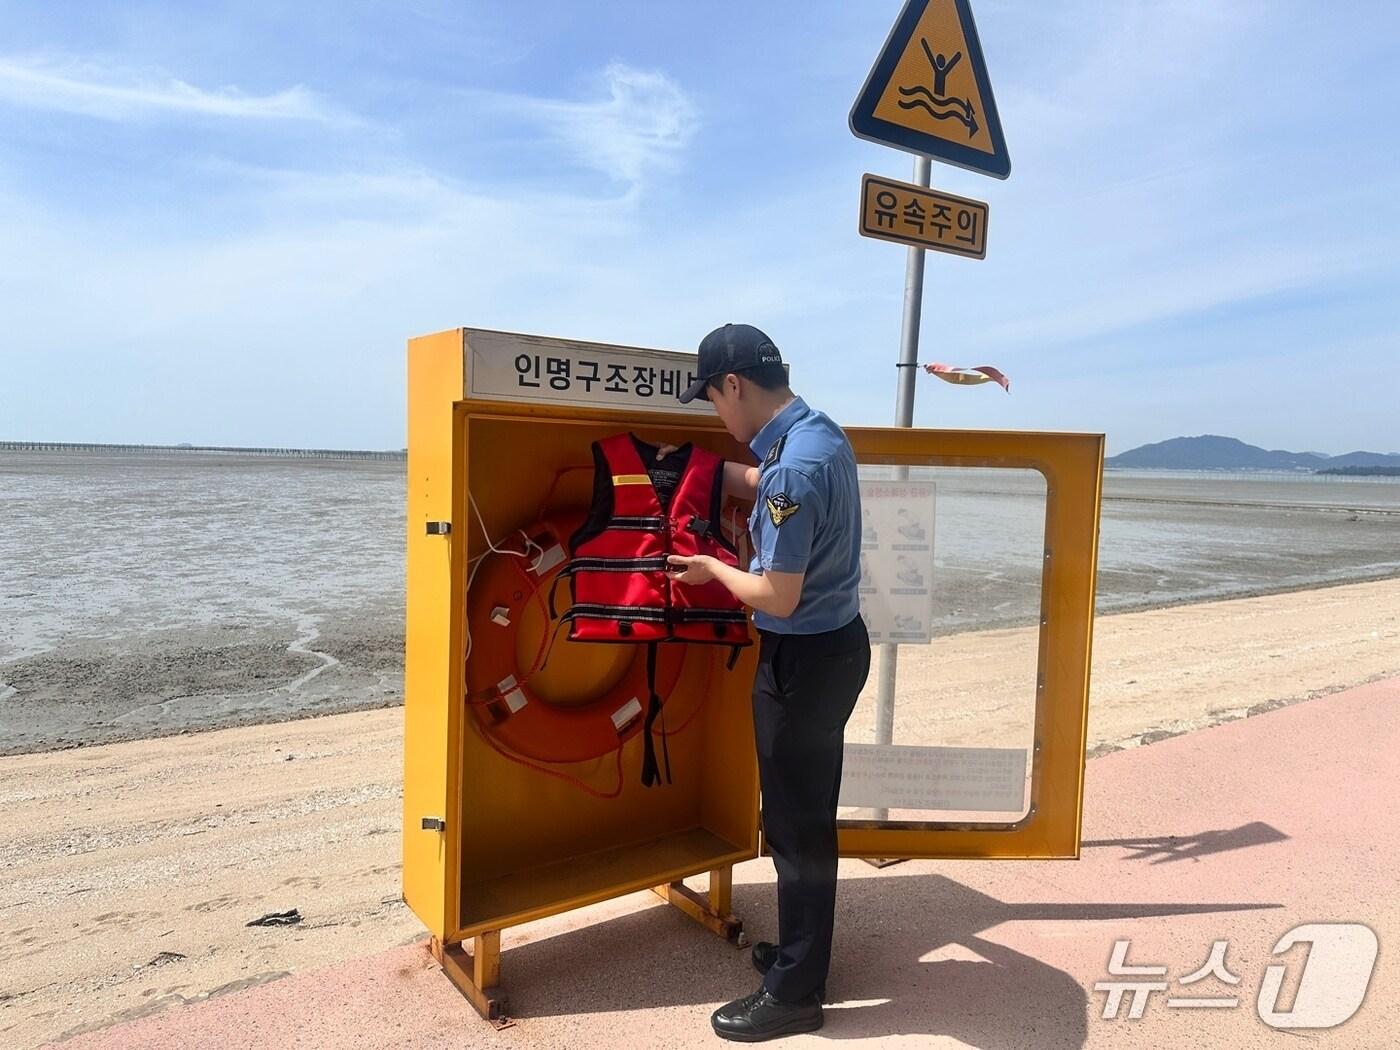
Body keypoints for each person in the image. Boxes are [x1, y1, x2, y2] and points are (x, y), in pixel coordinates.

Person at [665, 323, 872, 1042]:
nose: (717, 418)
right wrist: (700, 472)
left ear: (735, 386)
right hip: (838, 647)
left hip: (802, 661)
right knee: (804, 818)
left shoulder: (791, 469)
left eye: (713, 402)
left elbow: (776, 594)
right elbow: (770, 484)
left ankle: (794, 994)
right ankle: (799, 959)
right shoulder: (818, 434)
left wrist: (711, 570)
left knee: (795, 829)